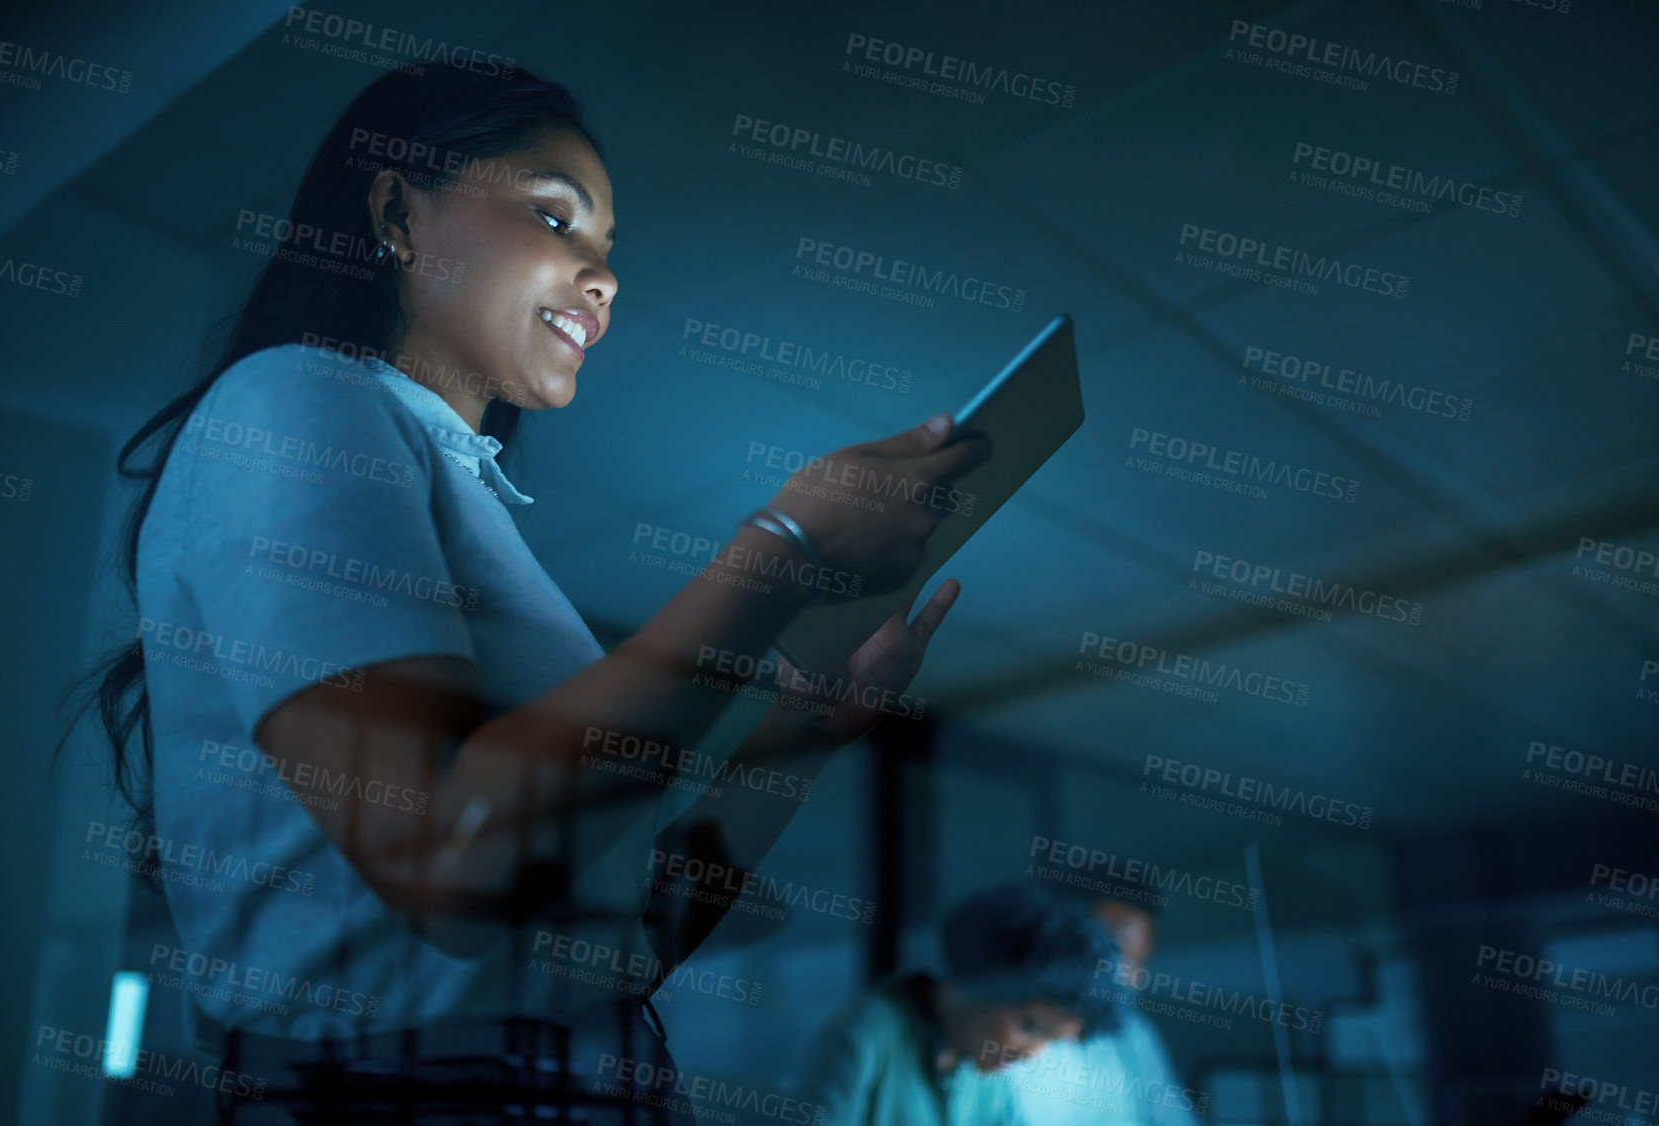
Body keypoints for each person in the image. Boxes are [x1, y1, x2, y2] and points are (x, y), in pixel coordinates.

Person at [72, 60, 989, 1119]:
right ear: (395, 212)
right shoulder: (292, 395)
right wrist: (776, 551)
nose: (600, 277)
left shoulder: (466, 509)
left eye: (606, 252)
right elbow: (451, 861)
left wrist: (805, 724)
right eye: (555, 217)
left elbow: (623, 947)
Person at [805, 883, 1122, 1126]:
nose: (1031, 1053)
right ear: (979, 981)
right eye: (1030, 1027)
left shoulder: (986, 1072)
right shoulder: (865, 1038)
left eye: (1050, 1039)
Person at [1008, 888, 1204, 1125]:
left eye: (1138, 962)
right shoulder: (1019, 1034)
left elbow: (1174, 1117)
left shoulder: (1135, 1033)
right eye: (1116, 955)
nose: (1130, 978)